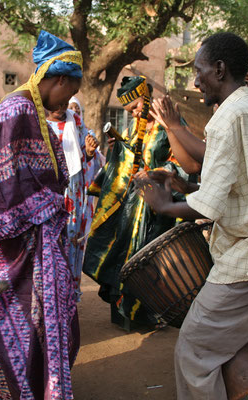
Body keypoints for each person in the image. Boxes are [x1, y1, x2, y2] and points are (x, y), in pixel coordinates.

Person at [136, 32, 248, 399]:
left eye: (199, 70)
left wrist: (165, 206)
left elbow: (208, 207)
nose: (195, 79)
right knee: (221, 345)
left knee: (194, 348)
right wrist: (184, 187)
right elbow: (242, 190)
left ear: (220, 69)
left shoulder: (229, 118)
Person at [0, 30, 83, 399]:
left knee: (47, 333)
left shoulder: (34, 112)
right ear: (57, 79)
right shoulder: (16, 110)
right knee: (8, 339)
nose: (68, 102)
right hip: (0, 252)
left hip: (30, 248)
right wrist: (46, 208)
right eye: (70, 91)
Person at [82, 76, 191, 329]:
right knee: (125, 256)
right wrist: (119, 148)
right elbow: (127, 166)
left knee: (152, 259)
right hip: (131, 210)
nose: (134, 113)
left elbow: (184, 165)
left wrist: (155, 172)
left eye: (136, 106)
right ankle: (124, 312)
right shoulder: (132, 130)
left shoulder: (169, 125)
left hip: (158, 208)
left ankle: (152, 313)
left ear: (147, 96)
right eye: (129, 111)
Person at [46, 102, 103, 300]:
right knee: (51, 244)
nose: (60, 105)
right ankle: (53, 299)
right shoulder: (37, 121)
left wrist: (88, 151)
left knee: (72, 242)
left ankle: (68, 297)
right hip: (49, 193)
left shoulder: (74, 120)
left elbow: (85, 156)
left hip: (73, 194)